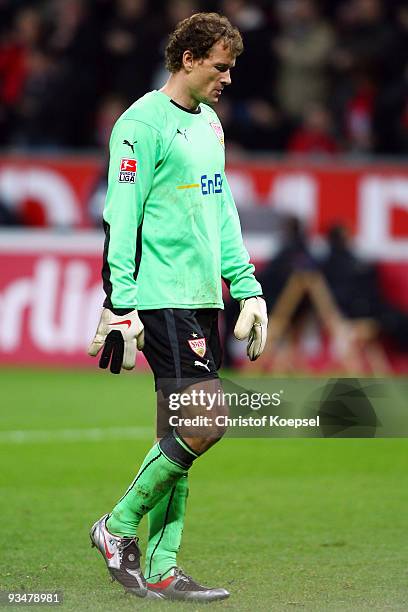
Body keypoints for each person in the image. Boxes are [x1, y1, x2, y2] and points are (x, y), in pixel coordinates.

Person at [88, 12, 267, 602]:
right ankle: (115, 528)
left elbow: (221, 210)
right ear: (188, 59)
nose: (228, 78)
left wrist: (247, 287)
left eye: (232, 67)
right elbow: (121, 216)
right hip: (162, 297)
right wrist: (120, 304)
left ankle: (163, 567)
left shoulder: (211, 124)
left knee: (179, 432)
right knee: (207, 422)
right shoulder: (140, 125)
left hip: (201, 297)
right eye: (221, 66)